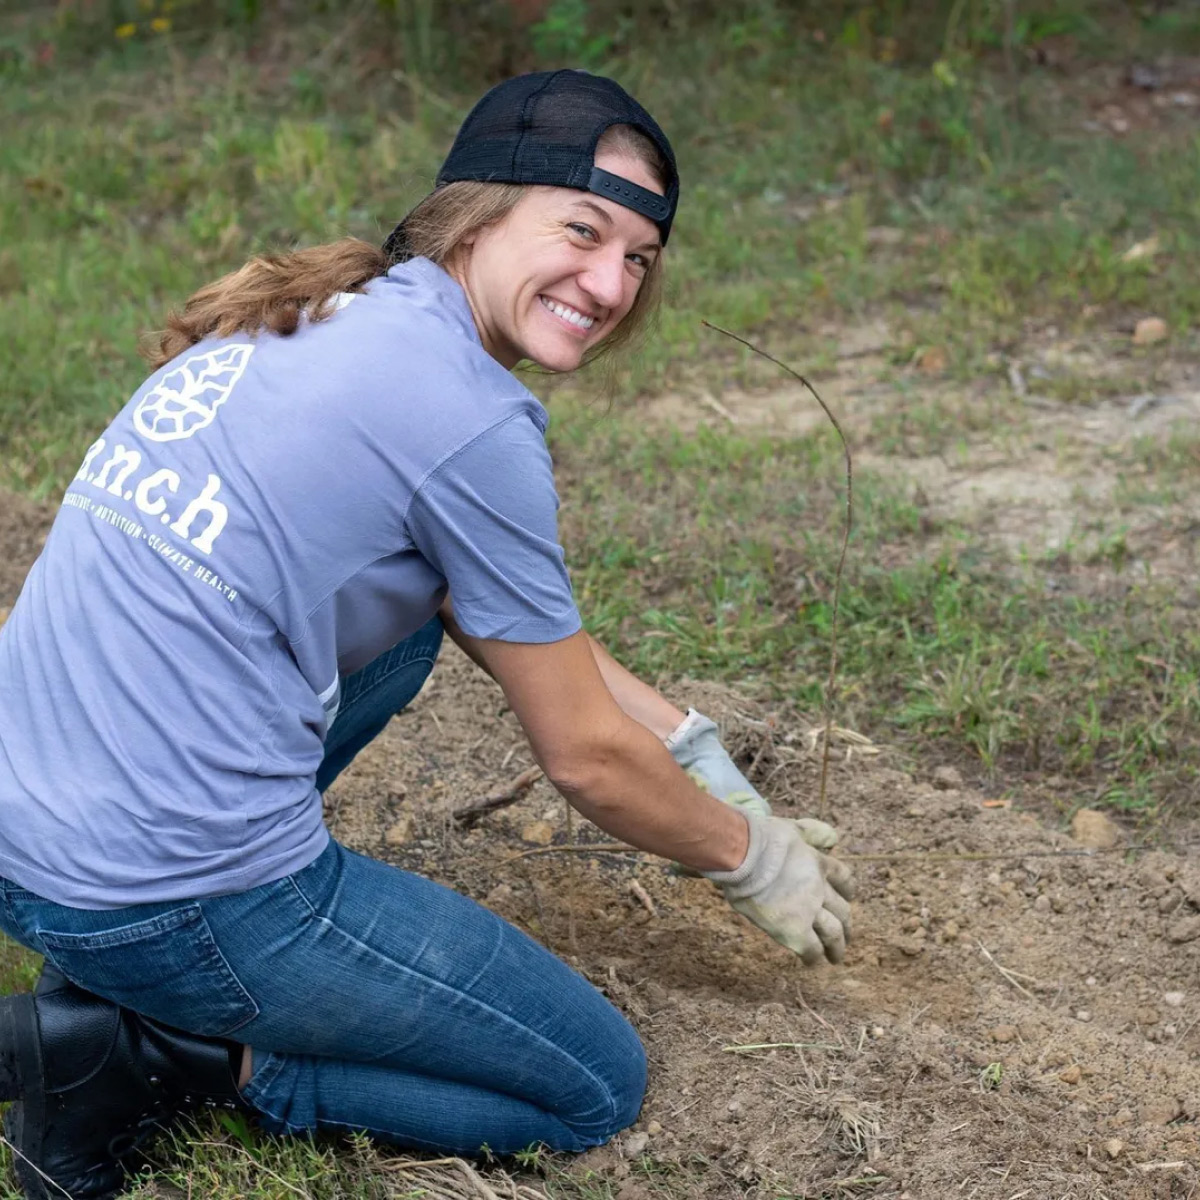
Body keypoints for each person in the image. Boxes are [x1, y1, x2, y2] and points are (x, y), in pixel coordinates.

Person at [0, 69, 854, 1200]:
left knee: (402, 629)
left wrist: (689, 745)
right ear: (480, 209)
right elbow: (586, 759)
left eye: (640, 259)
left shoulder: (322, 315)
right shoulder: (469, 420)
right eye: (582, 231)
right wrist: (751, 857)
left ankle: (117, 978)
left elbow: (485, 614)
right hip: (161, 893)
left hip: (26, 829)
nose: (609, 284)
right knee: (590, 1088)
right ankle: (150, 1052)